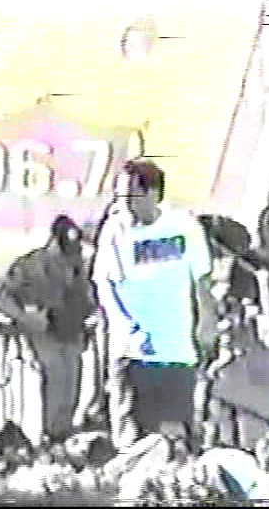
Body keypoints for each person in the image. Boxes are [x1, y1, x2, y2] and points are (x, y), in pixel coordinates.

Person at [91, 159, 213, 451]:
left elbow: (201, 281)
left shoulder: (184, 227)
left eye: (130, 196)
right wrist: (128, 327)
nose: (124, 204)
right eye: (119, 196)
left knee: (176, 439)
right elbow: (105, 286)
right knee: (134, 442)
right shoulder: (115, 231)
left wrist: (206, 323)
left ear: (153, 194)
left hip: (177, 352)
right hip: (133, 353)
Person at [0, 215, 98, 443]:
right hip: (44, 331)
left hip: (72, 333)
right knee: (56, 376)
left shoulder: (81, 265)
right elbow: (2, 299)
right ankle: (52, 434)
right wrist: (25, 318)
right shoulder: (30, 265)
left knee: (71, 385)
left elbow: (92, 299)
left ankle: (63, 433)